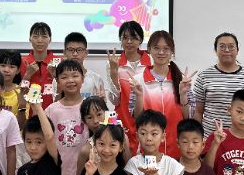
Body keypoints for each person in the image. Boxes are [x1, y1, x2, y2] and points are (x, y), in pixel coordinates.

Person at [127, 30, 194, 159]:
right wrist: (139, 96)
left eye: (166, 48)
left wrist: (183, 95)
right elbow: (137, 118)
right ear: (149, 50)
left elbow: (188, 117)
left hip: (177, 147)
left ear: (172, 51)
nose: (161, 52)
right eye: (156, 48)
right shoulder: (138, 80)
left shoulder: (182, 79)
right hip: (149, 148)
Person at [193, 32, 244, 134]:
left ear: (237, 50)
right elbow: (198, 112)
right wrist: (197, 136)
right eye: (222, 46)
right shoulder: (204, 76)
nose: (227, 50)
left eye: (231, 46)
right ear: (215, 50)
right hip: (211, 136)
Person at [106, 20, 151, 153]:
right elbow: (115, 100)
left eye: (133, 37)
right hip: (123, 118)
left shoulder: (151, 62)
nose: (129, 41)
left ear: (141, 39)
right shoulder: (113, 63)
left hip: (147, 119)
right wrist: (114, 73)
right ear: (120, 40)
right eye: (125, 38)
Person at [52, 32, 105, 99]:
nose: (75, 54)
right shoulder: (59, 79)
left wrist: (101, 100)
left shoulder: (96, 78)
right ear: (64, 53)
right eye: (71, 50)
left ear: (86, 53)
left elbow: (102, 103)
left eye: (79, 50)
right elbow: (56, 103)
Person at [20, 22, 56, 110]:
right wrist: (27, 75)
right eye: (35, 36)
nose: (40, 40)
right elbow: (15, 90)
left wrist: (55, 77)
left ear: (50, 39)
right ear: (30, 38)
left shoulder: (58, 62)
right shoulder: (21, 62)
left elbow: (64, 91)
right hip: (28, 114)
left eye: (44, 36)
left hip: (53, 113)